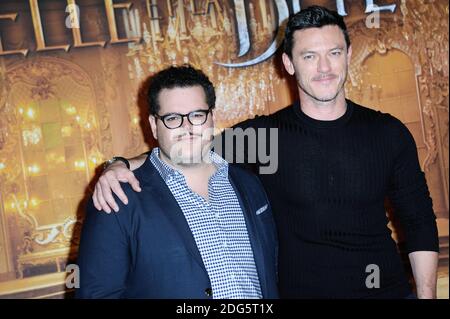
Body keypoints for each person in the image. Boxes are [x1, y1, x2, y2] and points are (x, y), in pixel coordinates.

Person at [91, 6, 439, 299]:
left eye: (333, 53)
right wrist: (117, 165)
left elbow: (419, 222)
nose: (324, 68)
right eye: (309, 56)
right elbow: (186, 145)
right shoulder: (265, 137)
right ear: (289, 63)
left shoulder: (387, 132)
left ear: (348, 55)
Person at [76, 65, 279, 299]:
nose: (187, 127)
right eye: (172, 118)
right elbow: (98, 295)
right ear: (154, 125)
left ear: (212, 117)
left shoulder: (248, 183)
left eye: (197, 115)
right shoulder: (117, 197)